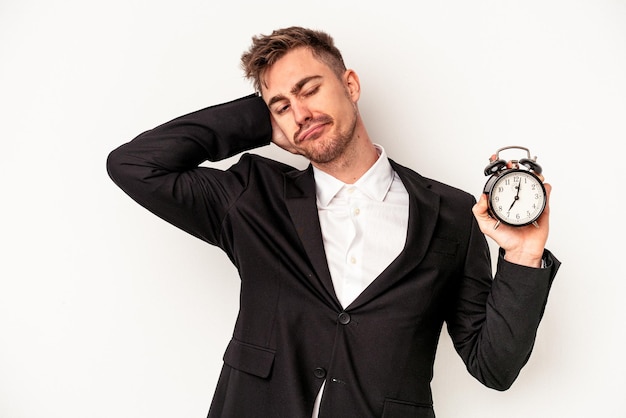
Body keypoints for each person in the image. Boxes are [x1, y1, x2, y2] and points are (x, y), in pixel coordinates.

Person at [107, 26, 560, 418]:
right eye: (282, 106)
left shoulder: (450, 214)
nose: (300, 113)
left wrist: (522, 256)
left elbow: (494, 368)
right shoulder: (251, 197)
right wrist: (258, 116)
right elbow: (134, 165)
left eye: (309, 89)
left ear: (351, 84)